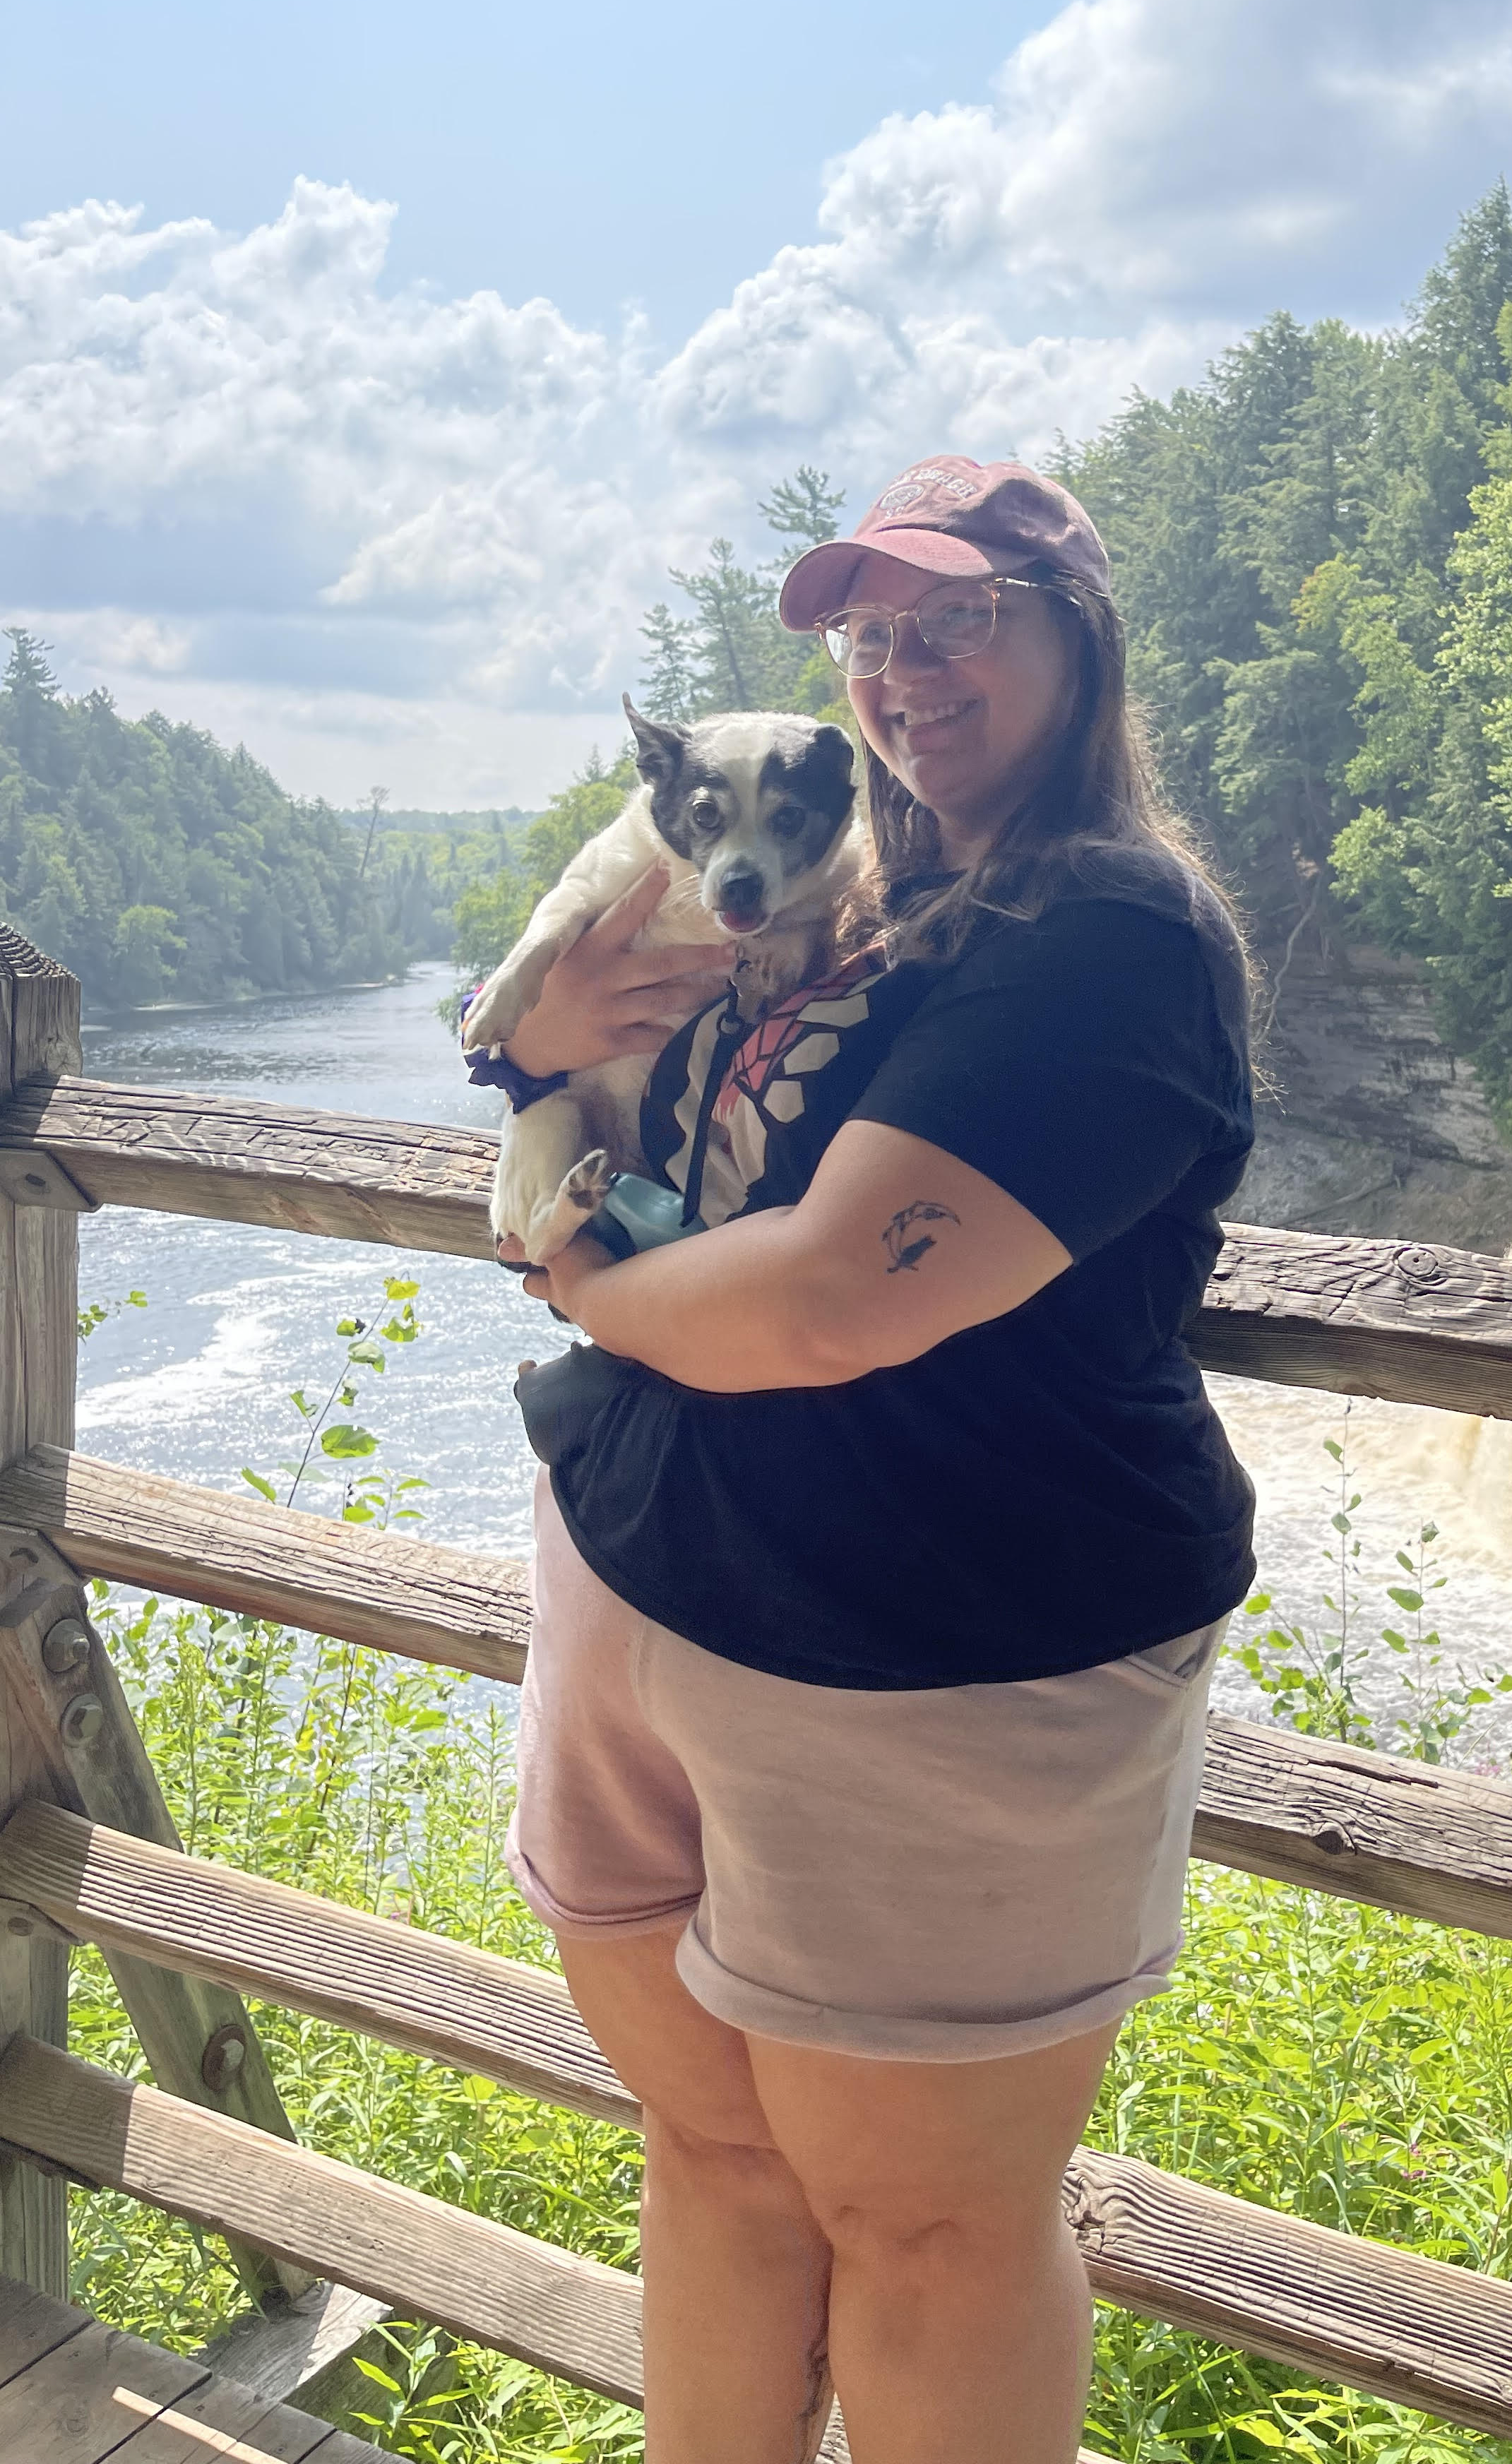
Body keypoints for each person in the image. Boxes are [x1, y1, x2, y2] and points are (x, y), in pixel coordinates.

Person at [491, 456, 1256, 2464]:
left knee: (927, 2228)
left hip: (940, 1649)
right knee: (717, 2159)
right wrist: (519, 1056)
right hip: (653, 1581)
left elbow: (829, 1299)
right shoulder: (842, 891)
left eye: (960, 619)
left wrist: (570, 1270)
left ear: (1076, 635)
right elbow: (598, 1067)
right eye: (872, 638)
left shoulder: (1108, 927)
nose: (906, 672)